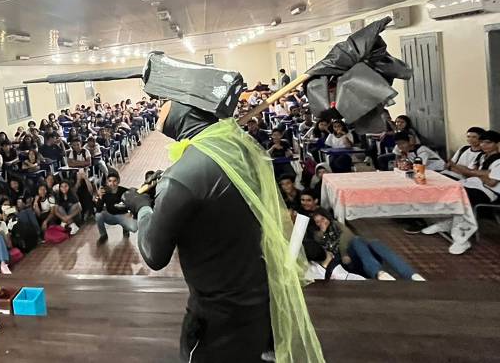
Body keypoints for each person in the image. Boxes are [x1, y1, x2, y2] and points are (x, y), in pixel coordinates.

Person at [119, 53, 322, 362]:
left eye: (164, 100)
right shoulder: (236, 148)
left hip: (217, 316)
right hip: (257, 297)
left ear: (184, 107)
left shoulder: (182, 176)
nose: (159, 108)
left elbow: (153, 254)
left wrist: (142, 206)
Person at [312, 209, 424, 281]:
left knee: (374, 243)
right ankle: (378, 272)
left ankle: (411, 275)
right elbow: (327, 254)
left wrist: (344, 251)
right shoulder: (318, 236)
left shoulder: (336, 225)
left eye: (323, 219)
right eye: (318, 222)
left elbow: (347, 235)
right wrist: (324, 234)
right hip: (347, 264)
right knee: (357, 240)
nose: (322, 223)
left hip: (359, 257)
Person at [94, 170, 137, 245]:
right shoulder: (104, 192)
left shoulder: (125, 191)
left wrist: (131, 213)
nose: (112, 184)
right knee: (98, 215)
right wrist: (100, 197)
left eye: (114, 181)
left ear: (118, 181)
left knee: (134, 228)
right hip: (110, 216)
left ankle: (125, 228)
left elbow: (134, 202)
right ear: (107, 182)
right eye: (110, 181)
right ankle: (103, 235)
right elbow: (98, 209)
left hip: (123, 216)